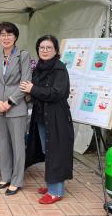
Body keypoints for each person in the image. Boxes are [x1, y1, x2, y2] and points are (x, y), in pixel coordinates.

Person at [20, 35, 74, 204]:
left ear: (56, 50)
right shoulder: (39, 68)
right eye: (41, 47)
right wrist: (29, 92)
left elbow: (58, 93)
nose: (44, 50)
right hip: (42, 117)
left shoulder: (59, 69)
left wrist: (33, 89)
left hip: (56, 117)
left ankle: (56, 191)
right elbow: (36, 91)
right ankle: (52, 184)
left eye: (49, 47)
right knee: (47, 151)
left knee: (55, 152)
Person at [0, 22, 32, 195]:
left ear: (15, 37)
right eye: (2, 35)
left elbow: (26, 81)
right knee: (2, 144)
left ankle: (17, 180)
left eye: (9, 34)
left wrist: (9, 101)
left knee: (17, 145)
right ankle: (6, 176)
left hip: (16, 107)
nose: (5, 38)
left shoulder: (23, 55)